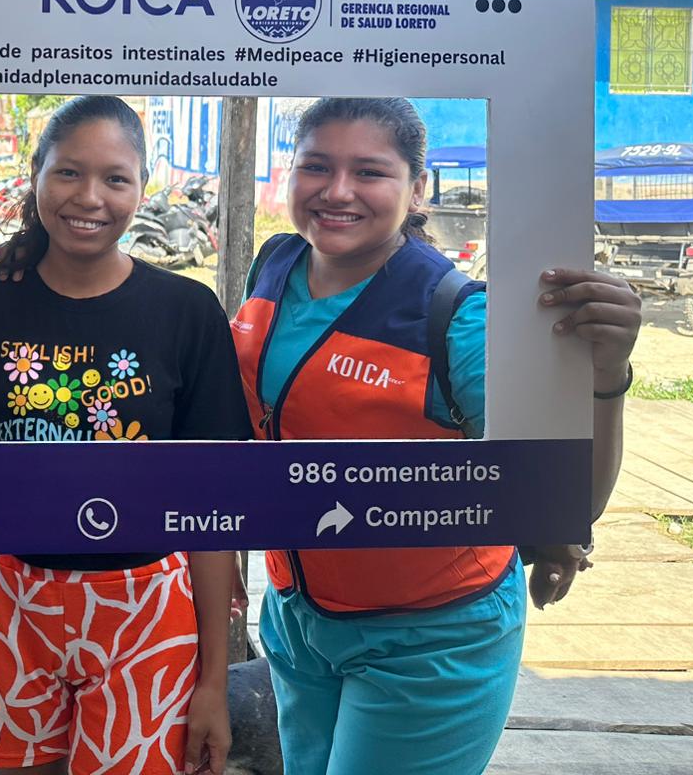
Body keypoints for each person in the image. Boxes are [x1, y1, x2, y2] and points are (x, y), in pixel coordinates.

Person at [231, 96, 638, 775]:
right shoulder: (275, 263)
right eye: (316, 166)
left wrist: (607, 374)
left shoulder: (454, 318)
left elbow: (564, 498)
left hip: (430, 636)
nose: (337, 191)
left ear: (418, 188)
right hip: (299, 622)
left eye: (369, 171)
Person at [0, 95, 248, 775]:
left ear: (143, 187)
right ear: (35, 173)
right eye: (68, 172)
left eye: (115, 178)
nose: (89, 197)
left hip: (145, 608)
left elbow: (209, 506)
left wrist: (213, 680)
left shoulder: (186, 311)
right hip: (8, 600)